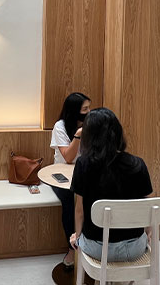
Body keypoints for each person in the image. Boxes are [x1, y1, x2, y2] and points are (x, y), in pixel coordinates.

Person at [69, 108, 153, 262]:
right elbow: (147, 207)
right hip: (134, 248)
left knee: (75, 238)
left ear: (88, 136)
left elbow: (79, 211)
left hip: (97, 248)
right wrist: (147, 232)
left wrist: (78, 236)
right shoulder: (138, 164)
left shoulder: (83, 164)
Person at [50, 92, 91, 268]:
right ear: (75, 111)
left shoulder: (92, 123)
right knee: (69, 199)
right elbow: (67, 157)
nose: (89, 112)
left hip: (85, 172)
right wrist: (79, 135)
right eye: (85, 109)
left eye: (90, 107)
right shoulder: (60, 127)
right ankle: (72, 247)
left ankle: (92, 243)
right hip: (62, 174)